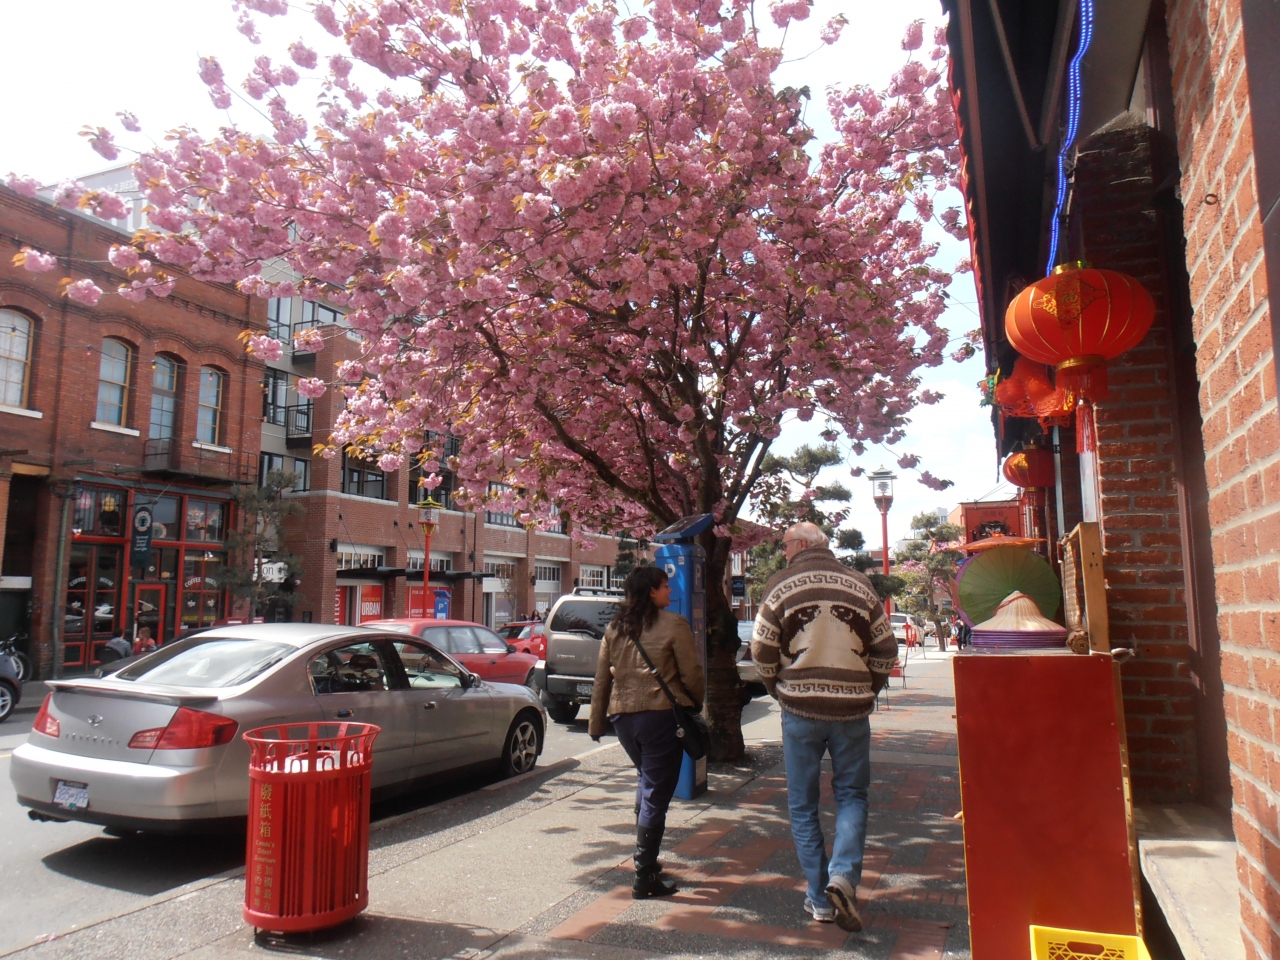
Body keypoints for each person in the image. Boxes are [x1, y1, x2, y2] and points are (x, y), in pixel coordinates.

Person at [752, 522, 896, 932]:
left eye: (784, 545)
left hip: (800, 710)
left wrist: (777, 689)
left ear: (799, 545)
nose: (782, 552)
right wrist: (868, 688)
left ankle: (820, 900)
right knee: (852, 795)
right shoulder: (860, 585)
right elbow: (885, 650)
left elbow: (762, 650)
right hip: (852, 711)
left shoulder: (781, 585)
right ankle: (842, 878)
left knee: (802, 804)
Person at [588, 566, 705, 900]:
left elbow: (601, 679)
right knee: (656, 788)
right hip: (659, 717)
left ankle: (647, 863)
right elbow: (692, 671)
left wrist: (597, 723)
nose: (670, 592)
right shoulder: (674, 624)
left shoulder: (615, 627)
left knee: (646, 780)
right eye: (665, 587)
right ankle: (644, 873)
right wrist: (694, 703)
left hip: (624, 718)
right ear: (651, 592)